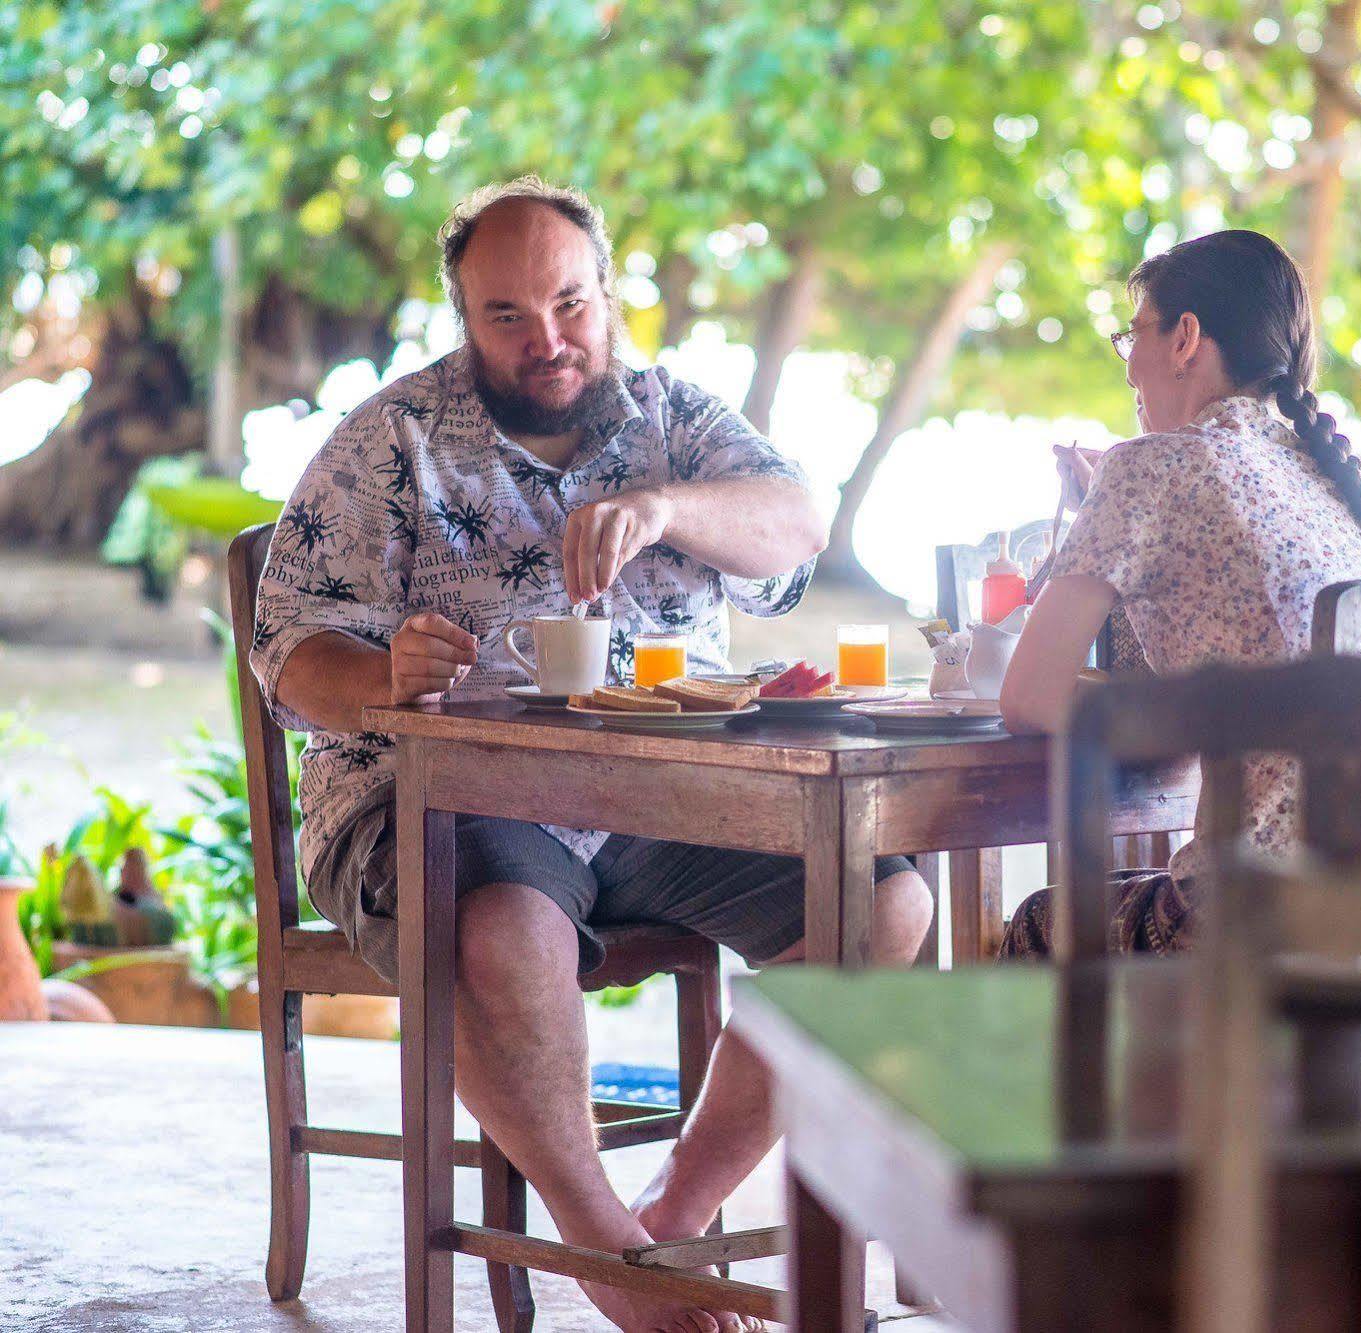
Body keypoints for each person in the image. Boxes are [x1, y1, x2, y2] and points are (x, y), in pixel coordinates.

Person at [250, 176, 932, 1333]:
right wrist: (384, 677)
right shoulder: (390, 438)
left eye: (568, 303)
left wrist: (666, 510)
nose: (548, 338)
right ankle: (600, 1243)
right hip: (436, 788)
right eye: (506, 314)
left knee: (881, 904)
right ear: (462, 315)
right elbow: (285, 650)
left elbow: (795, 520)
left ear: (606, 293)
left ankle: (672, 1212)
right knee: (503, 922)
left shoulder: (675, 419)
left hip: (661, 790)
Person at [996, 229, 1361, 956]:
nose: (1127, 365)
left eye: (1132, 334)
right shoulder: (1321, 476)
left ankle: (1131, 1074)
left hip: (1242, 921)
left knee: (1040, 920)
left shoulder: (1153, 468)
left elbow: (1027, 696)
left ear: (1184, 337)